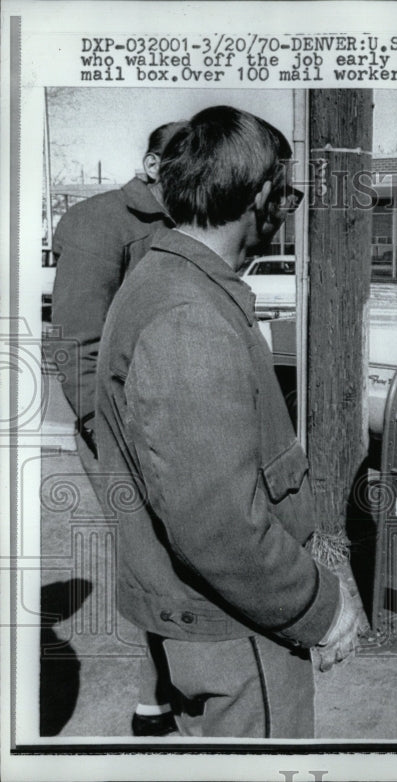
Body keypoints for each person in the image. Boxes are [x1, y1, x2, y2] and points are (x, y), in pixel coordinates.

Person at [93, 106, 365, 738]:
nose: (285, 209)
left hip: (219, 622)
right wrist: (320, 608)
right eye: (287, 193)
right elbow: (221, 529)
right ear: (261, 195)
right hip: (239, 634)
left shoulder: (168, 278)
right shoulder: (187, 314)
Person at [49, 120, 186, 736]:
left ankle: (169, 688)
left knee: (179, 550)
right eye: (182, 165)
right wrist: (105, 433)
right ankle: (152, 703)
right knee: (149, 557)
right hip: (116, 426)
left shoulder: (182, 219)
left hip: (171, 415)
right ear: (153, 163)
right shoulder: (99, 220)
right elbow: (76, 344)